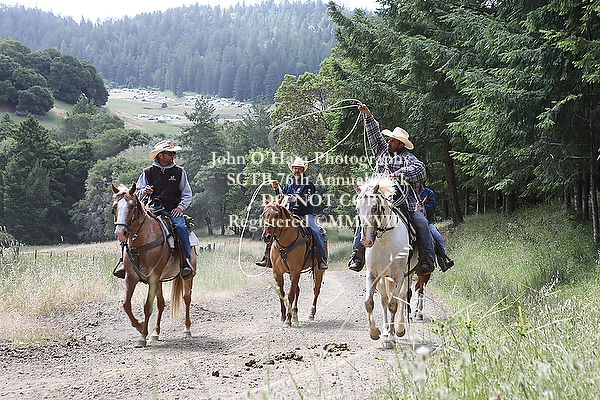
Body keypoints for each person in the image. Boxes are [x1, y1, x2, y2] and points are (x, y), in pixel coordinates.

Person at [348, 104, 435, 274]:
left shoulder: (409, 158)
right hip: (379, 200)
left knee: (422, 222)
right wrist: (368, 116)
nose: (389, 142)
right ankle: (357, 256)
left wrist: (396, 174)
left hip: (404, 202)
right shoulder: (382, 152)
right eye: (389, 139)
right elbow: (374, 136)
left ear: (401, 145)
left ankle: (427, 258)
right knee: (363, 220)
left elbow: (420, 170)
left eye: (393, 140)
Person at [113, 140, 194, 279]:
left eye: (173, 153)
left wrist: (180, 208)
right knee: (129, 227)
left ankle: (186, 261)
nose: (173, 156)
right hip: (152, 209)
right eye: (170, 154)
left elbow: (187, 194)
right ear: (160, 155)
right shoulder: (147, 172)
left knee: (181, 227)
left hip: (173, 210)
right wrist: (144, 191)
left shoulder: (180, 172)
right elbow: (136, 194)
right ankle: (124, 262)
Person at [255, 157, 328, 270]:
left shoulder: (308, 184)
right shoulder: (289, 182)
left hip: (305, 214)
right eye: (294, 168)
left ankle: (321, 259)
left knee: (316, 231)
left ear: (303, 170)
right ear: (292, 169)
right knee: (274, 228)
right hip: (289, 213)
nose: (296, 170)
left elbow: (306, 199)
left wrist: (293, 198)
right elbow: (282, 197)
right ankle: (267, 257)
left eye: (299, 168)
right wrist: (277, 189)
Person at [418, 183, 454, 270]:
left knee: (438, 237)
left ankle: (443, 262)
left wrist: (423, 205)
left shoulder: (428, 192)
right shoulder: (406, 191)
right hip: (409, 219)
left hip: (426, 222)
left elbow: (432, 207)